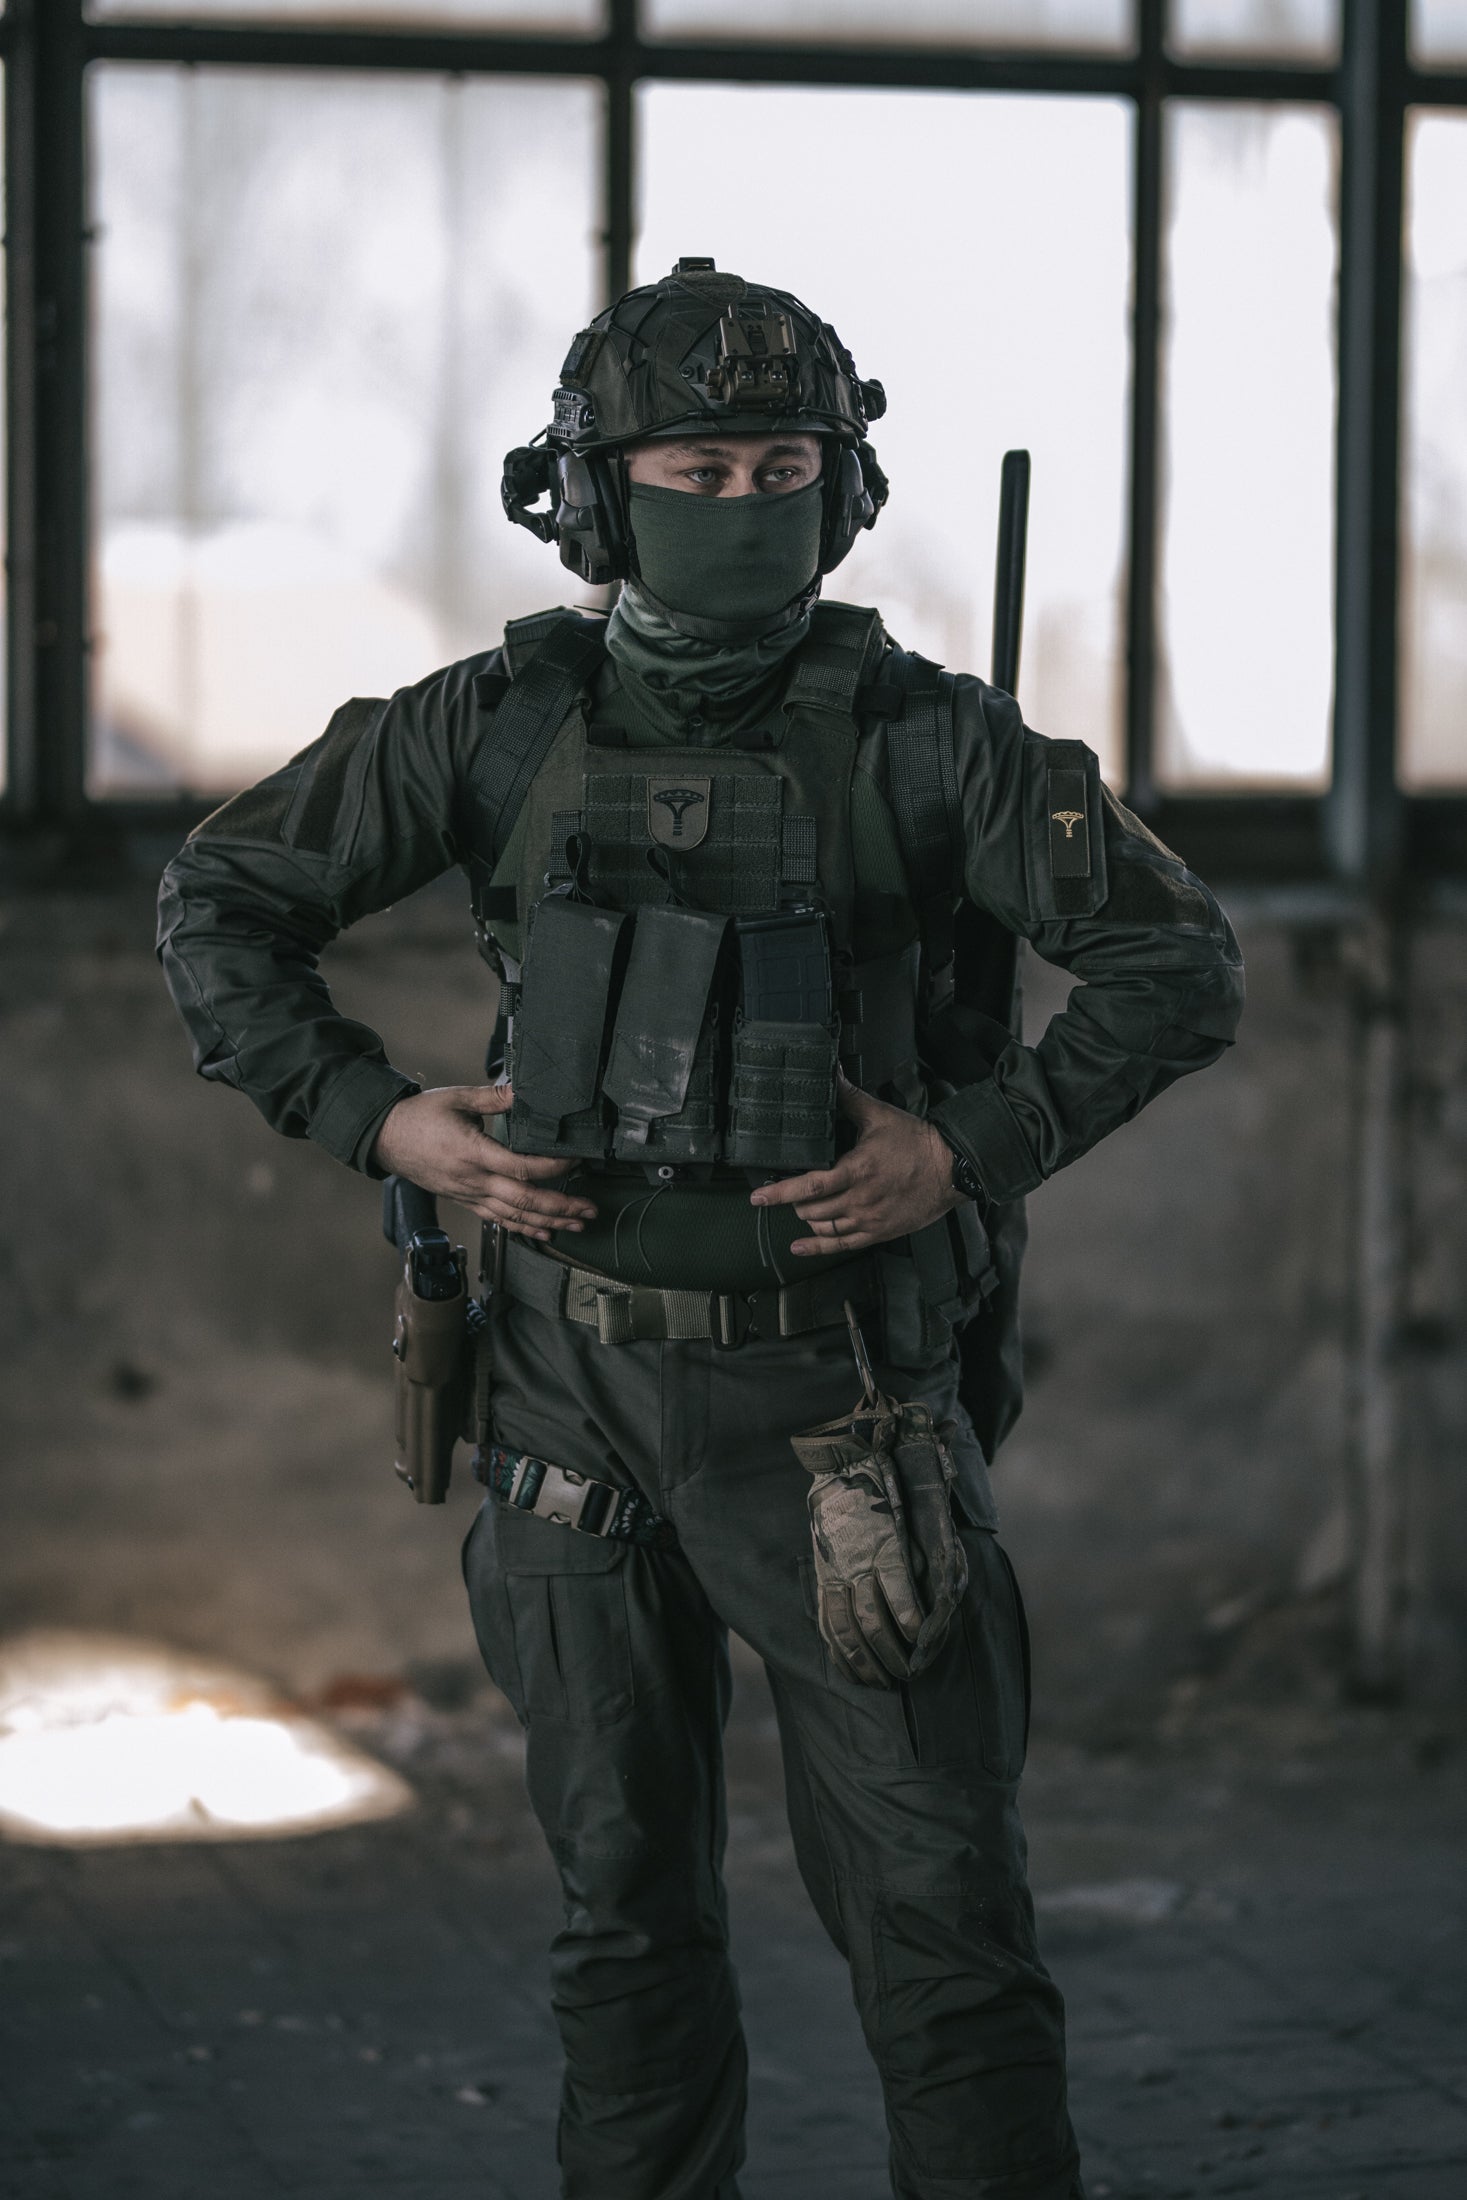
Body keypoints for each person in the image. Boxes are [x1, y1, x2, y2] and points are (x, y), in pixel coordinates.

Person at [158, 258, 1244, 2200]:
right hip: (565, 1413)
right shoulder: (491, 728)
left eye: (778, 466)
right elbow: (221, 897)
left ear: (839, 493)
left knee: (945, 1944)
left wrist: (965, 1146)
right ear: (590, 494)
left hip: (837, 1425)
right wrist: (380, 1115)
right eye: (693, 465)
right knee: (621, 1932)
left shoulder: (931, 742)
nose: (740, 504)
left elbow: (1176, 960)